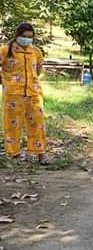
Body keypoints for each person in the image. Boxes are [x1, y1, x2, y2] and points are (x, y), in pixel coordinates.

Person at [0, 23, 50, 165]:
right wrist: (5, 81)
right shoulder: (5, 50)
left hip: (34, 93)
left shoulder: (35, 52)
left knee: (38, 123)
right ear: (17, 35)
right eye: (24, 36)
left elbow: (38, 70)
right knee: (12, 124)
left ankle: (41, 153)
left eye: (30, 37)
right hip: (13, 94)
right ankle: (14, 154)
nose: (27, 39)